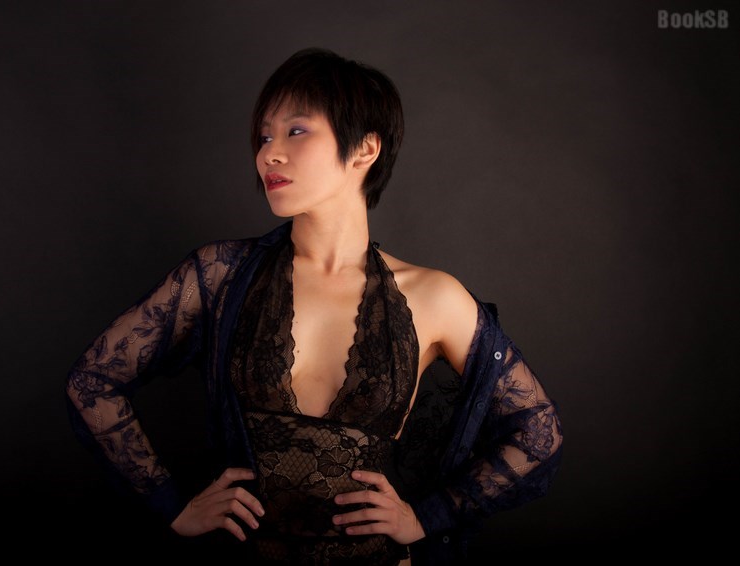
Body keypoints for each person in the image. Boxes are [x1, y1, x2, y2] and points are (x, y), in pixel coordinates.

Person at [65, 47, 563, 565]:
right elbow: (91, 382)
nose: (269, 155)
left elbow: (537, 432)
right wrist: (172, 506)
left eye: (296, 131)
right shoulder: (220, 275)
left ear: (365, 148)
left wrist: (426, 517)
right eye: (264, 137)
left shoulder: (432, 296)